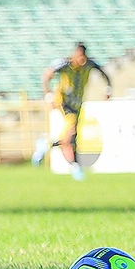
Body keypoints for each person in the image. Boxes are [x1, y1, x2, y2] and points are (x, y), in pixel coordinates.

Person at [32, 42, 112, 180]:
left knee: (71, 140)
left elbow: (105, 74)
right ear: (75, 54)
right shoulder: (65, 64)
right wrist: (48, 94)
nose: (82, 59)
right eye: (79, 55)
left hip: (77, 105)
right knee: (71, 131)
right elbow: (47, 74)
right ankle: (70, 163)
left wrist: (108, 90)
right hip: (63, 102)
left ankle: (50, 148)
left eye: (84, 56)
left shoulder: (89, 65)